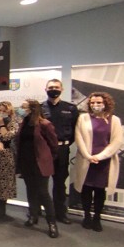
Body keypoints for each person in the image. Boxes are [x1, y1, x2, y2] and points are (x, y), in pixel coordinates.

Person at [73, 92, 123, 232]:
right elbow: (79, 138)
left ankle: (97, 218)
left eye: (99, 103)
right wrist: (88, 156)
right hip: (86, 160)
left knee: (100, 191)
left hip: (104, 162)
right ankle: (87, 216)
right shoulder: (83, 118)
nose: (95, 105)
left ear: (106, 103)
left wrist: (99, 157)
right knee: (86, 189)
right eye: (92, 103)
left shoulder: (115, 120)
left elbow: (116, 142)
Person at [15, 100, 59, 239]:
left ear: (32, 109)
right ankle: (33, 216)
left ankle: (52, 223)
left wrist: (47, 157)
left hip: (40, 163)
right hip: (26, 163)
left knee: (43, 193)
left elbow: (54, 144)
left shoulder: (45, 124)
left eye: (24, 107)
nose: (21, 109)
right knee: (31, 190)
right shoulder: (24, 122)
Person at [41, 79, 79, 224]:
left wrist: (65, 144)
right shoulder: (40, 108)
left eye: (56, 87)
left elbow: (76, 130)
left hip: (62, 149)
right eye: (50, 87)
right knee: (41, 183)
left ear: (62, 89)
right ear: (45, 89)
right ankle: (36, 211)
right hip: (44, 150)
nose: (53, 89)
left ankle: (60, 213)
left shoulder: (70, 108)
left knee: (59, 182)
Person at [0, 101, 19, 219]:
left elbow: (6, 136)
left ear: (9, 112)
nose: (1, 113)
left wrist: (2, 124)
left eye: (4, 111)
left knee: (4, 183)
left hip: (6, 156)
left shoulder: (13, 123)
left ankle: (2, 210)